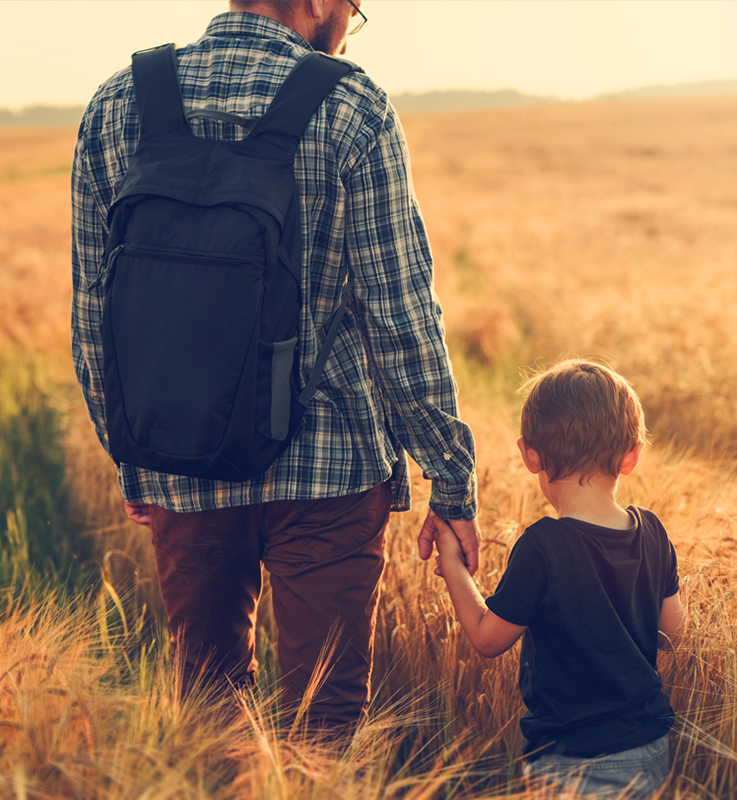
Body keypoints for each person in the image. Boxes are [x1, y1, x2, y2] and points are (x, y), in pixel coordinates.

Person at [71, 0, 479, 733]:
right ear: (320, 2)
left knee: (208, 719)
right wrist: (450, 479)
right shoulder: (352, 106)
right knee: (324, 725)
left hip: (182, 467)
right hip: (328, 478)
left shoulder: (118, 103)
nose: (351, 26)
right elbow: (402, 317)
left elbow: (95, 319)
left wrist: (132, 454)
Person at [431, 359, 685, 797]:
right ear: (631, 455)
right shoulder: (653, 532)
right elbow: (675, 634)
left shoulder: (543, 546)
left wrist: (452, 564)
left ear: (529, 454)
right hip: (648, 745)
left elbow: (488, 639)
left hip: (569, 759)